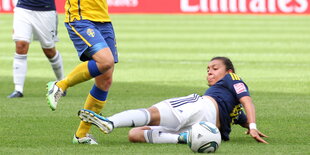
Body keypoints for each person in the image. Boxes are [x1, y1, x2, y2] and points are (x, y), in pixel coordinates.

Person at [77, 56, 268, 144]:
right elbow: (240, 116)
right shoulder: (231, 108)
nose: (210, 71)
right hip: (204, 130)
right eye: (207, 69)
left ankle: (111, 122)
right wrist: (249, 126)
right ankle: (182, 138)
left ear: (229, 71)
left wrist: (252, 127)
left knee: (152, 113)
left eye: (215, 68)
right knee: (135, 134)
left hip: (202, 107)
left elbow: (247, 101)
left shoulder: (232, 79)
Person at [46, 0, 118, 145]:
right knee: (105, 61)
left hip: (103, 19)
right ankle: (60, 85)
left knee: (105, 80)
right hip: (81, 18)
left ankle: (81, 135)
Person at [8, 0, 64, 98]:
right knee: (21, 45)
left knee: (49, 51)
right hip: (23, 8)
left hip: (46, 10)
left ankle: (62, 83)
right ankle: (18, 89)